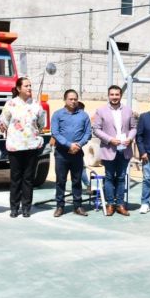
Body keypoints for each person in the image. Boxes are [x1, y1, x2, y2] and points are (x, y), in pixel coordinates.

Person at [0, 76, 46, 218]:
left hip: (32, 147)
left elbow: (41, 124)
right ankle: (14, 207)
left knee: (28, 178)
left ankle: (26, 207)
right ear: (18, 88)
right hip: (15, 146)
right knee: (15, 178)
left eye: (30, 85)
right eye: (26, 86)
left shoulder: (36, 105)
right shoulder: (10, 104)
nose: (29, 88)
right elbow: (3, 123)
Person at [92, 85, 137, 216]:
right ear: (108, 95)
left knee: (122, 178)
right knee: (110, 177)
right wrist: (110, 139)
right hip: (109, 149)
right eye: (112, 94)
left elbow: (134, 127)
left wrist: (130, 138)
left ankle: (120, 205)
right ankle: (110, 204)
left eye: (117, 94)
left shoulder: (128, 110)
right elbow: (96, 129)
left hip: (125, 149)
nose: (114, 97)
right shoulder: (101, 111)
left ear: (120, 95)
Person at [51, 89, 92, 217]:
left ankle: (78, 206)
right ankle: (60, 206)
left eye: (75, 99)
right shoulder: (57, 114)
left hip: (77, 153)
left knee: (77, 180)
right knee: (60, 181)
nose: (73, 101)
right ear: (65, 100)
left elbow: (88, 133)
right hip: (62, 154)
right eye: (71, 99)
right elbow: (55, 133)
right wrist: (69, 145)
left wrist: (78, 145)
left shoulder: (84, 115)